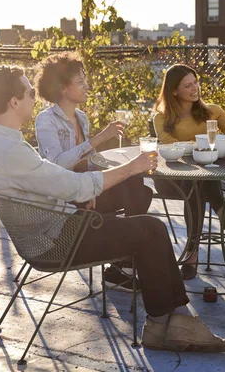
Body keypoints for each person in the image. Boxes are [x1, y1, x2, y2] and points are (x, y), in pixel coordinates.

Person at [0, 65, 225, 353]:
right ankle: (170, 324)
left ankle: (170, 322)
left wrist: (79, 190)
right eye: (29, 92)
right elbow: (74, 187)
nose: (35, 97)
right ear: (14, 102)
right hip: (59, 239)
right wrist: (132, 167)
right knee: (151, 230)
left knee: (140, 213)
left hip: (50, 230)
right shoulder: (11, 150)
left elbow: (52, 181)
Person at [34, 52, 154, 291]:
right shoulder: (45, 120)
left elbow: (86, 163)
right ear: (63, 88)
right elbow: (57, 164)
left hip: (85, 192)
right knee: (137, 193)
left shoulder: (81, 117)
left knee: (138, 188)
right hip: (65, 202)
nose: (87, 86)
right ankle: (123, 264)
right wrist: (100, 139)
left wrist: (96, 184)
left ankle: (122, 265)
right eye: (80, 82)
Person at [152, 64, 225, 280]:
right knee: (202, 175)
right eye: (188, 85)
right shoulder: (162, 118)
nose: (195, 88)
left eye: (195, 82)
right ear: (173, 91)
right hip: (172, 178)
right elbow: (170, 146)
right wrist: (203, 146)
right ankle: (222, 210)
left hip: (201, 178)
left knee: (200, 179)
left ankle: (191, 253)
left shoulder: (213, 111)